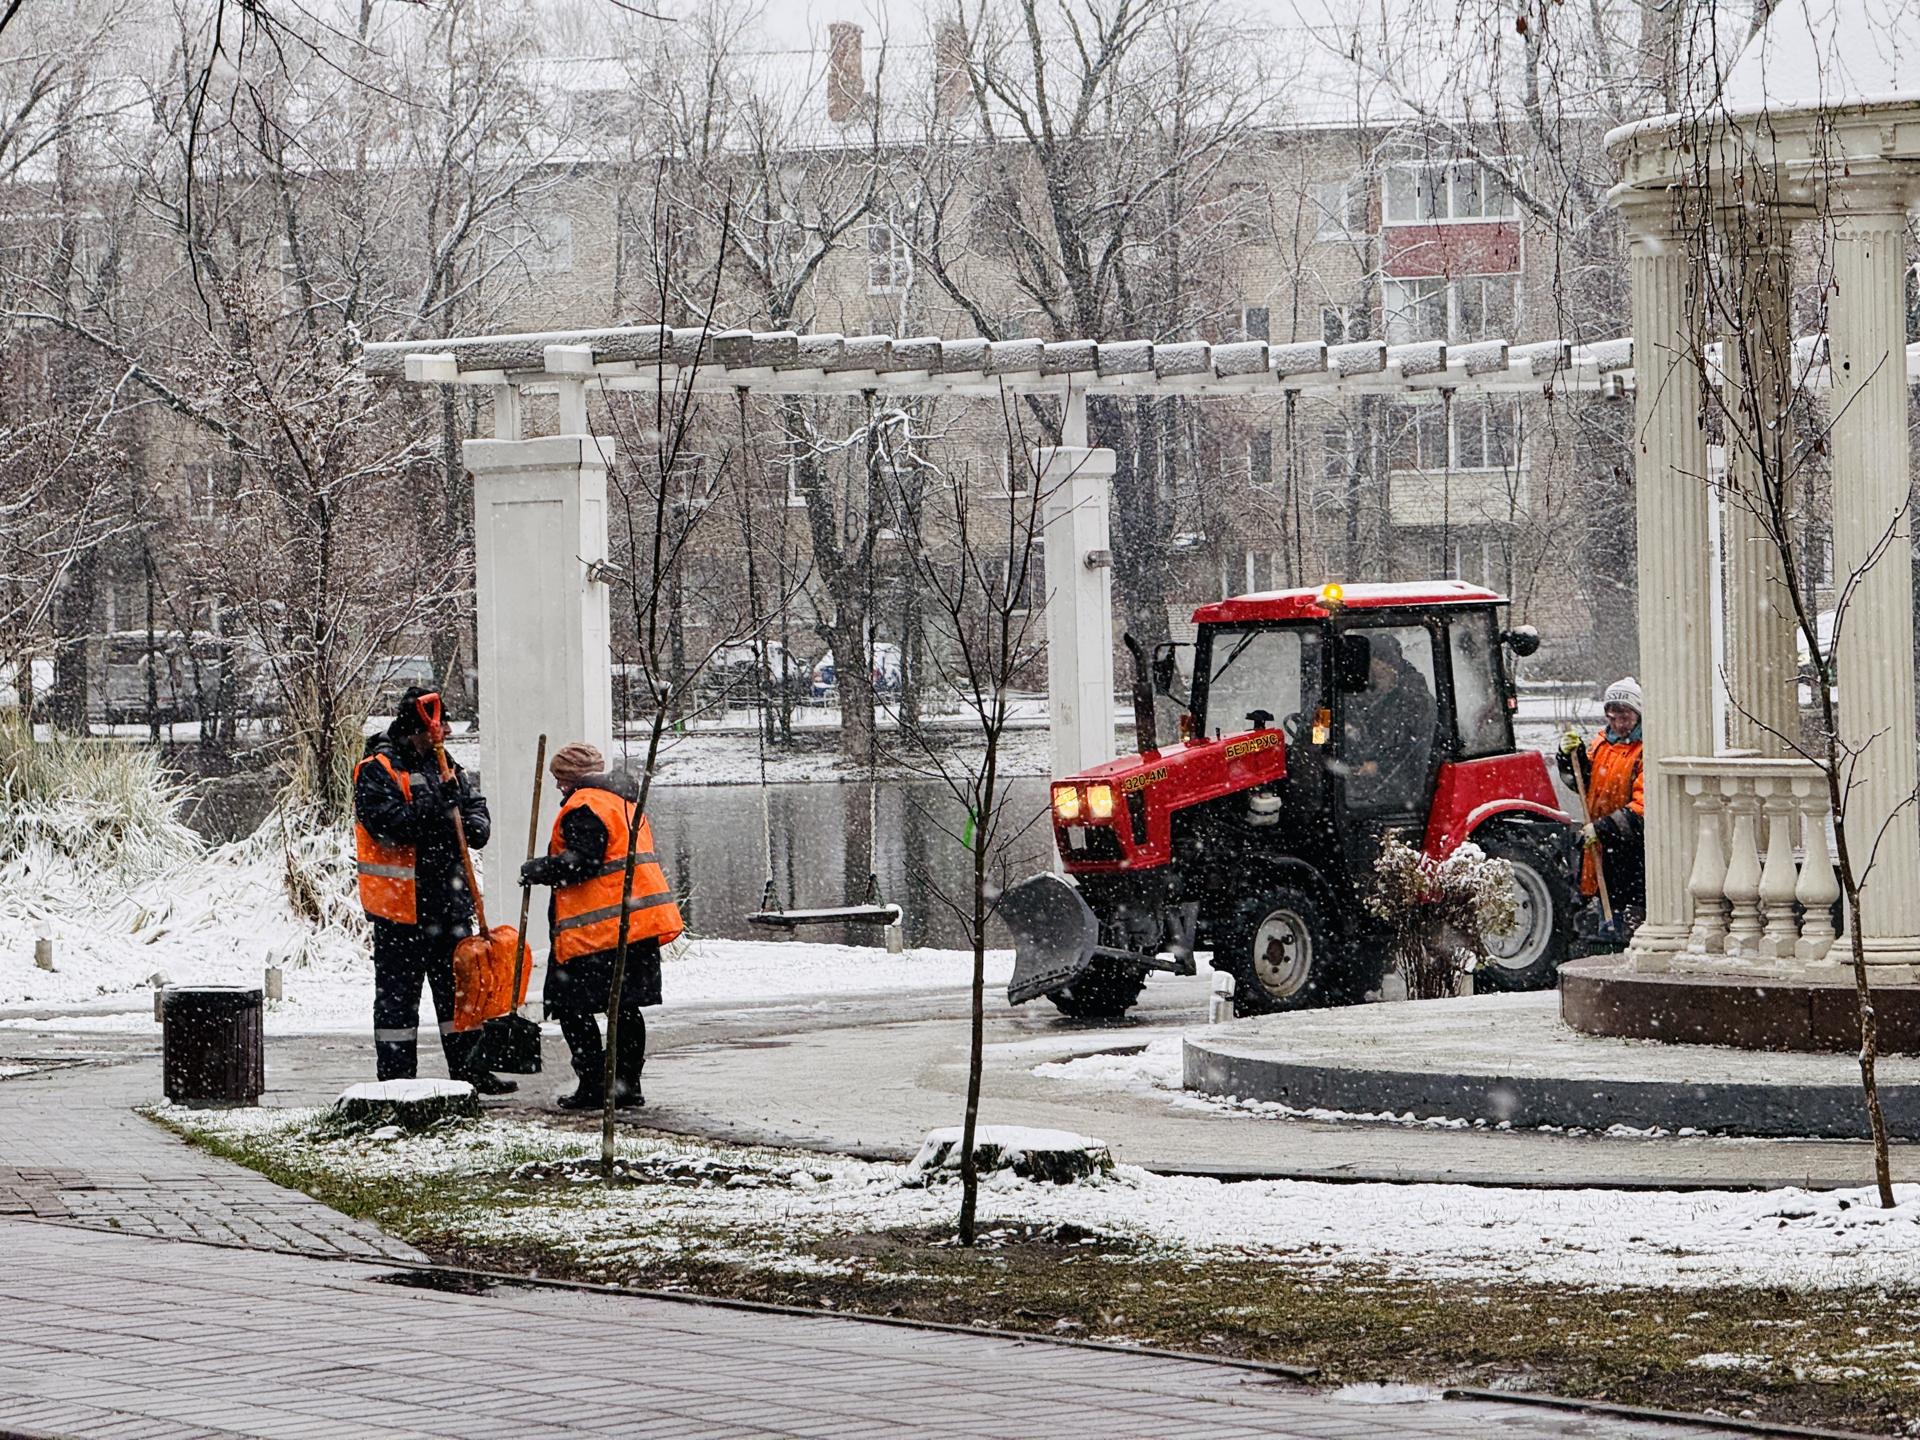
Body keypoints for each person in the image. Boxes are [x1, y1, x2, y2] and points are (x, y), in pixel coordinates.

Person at [352, 686, 515, 1094]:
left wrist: (477, 824)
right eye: (437, 727)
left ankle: (471, 1071)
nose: (443, 734)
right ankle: (395, 1081)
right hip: (400, 910)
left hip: (449, 904)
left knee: (461, 995)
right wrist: (437, 807)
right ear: (417, 729)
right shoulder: (377, 768)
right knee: (397, 1003)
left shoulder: (447, 765)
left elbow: (473, 803)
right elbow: (388, 825)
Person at [519, 742, 684, 1111]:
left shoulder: (584, 807)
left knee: (570, 1008)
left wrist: (539, 869)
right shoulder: (625, 804)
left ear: (571, 778)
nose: (559, 787)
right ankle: (626, 1085)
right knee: (624, 1008)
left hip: (597, 931)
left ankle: (595, 1085)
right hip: (633, 924)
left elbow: (584, 862)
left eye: (561, 779)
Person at [1558, 676, 1646, 924]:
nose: (1618, 724)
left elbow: (1643, 808)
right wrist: (1569, 757)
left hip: (1632, 853)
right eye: (1612, 716)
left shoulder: (1644, 750)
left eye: (1625, 717)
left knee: (1629, 912)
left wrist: (1603, 828)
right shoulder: (1601, 744)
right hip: (1601, 848)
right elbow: (1584, 784)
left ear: (1638, 715)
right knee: (1602, 910)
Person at [1343, 630, 1437, 812]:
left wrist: (1378, 767)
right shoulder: (1357, 694)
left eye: (1377, 663)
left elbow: (1412, 748)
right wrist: (1340, 730)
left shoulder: (1414, 700)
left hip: (1397, 786)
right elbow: (1325, 723)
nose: (1372, 669)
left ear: (1390, 665)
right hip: (1358, 776)